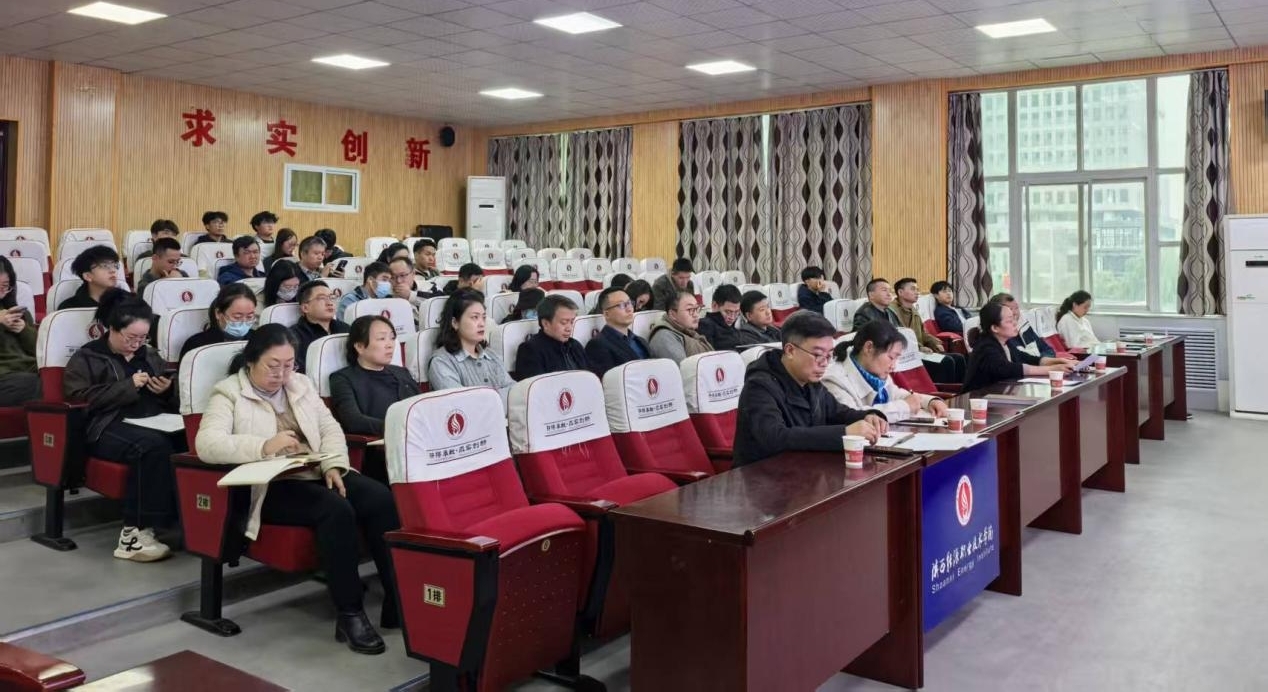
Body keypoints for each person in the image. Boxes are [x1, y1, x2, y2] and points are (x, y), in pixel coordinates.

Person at [195, 325, 400, 653]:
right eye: (272, 365)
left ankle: (397, 600)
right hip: (271, 485)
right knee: (336, 509)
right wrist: (264, 445)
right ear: (251, 361)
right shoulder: (229, 392)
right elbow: (207, 444)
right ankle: (350, 614)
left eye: (289, 365)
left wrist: (334, 464)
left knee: (381, 500)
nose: (281, 374)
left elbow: (330, 428)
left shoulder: (301, 385)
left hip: (315, 469)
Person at [64, 298, 184, 562]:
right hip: (108, 424)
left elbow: (171, 388)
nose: (137, 343)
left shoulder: (149, 355)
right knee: (151, 447)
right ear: (112, 329)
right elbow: (79, 399)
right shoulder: (88, 357)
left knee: (190, 439)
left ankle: (177, 523)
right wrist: (127, 386)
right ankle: (134, 533)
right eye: (131, 337)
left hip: (154, 418)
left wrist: (167, 390)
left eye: (143, 337)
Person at [732, 311, 886, 468]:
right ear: (790, 351)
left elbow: (837, 413)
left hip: (804, 469)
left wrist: (868, 417)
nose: (824, 363)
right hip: (762, 475)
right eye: (818, 355)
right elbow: (775, 437)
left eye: (829, 355)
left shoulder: (810, 380)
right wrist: (845, 432)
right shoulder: (759, 387)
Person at [822, 319, 949, 423]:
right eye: (891, 357)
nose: (894, 366)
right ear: (869, 347)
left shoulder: (875, 372)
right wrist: (904, 407)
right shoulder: (834, 379)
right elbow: (853, 416)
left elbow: (896, 394)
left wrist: (929, 401)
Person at [329, 316, 418, 436]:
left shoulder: (401, 372)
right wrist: (401, 428)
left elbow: (421, 406)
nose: (390, 345)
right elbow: (353, 421)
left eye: (392, 338)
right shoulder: (342, 379)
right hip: (381, 442)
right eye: (382, 338)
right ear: (360, 346)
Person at [963, 301, 1075, 391]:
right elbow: (1009, 368)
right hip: (978, 400)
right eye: (1009, 321)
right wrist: (1051, 370)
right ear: (995, 328)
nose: (1015, 323)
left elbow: (1030, 359)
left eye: (1014, 319)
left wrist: (1061, 361)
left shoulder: (1005, 343)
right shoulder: (986, 347)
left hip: (998, 396)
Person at [427, 289, 515, 399]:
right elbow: (465, 403)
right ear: (455, 323)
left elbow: (514, 392)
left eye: (483, 317)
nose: (482, 324)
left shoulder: (491, 355)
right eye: (475, 317)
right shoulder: (442, 362)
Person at [891, 277, 966, 384]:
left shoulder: (913, 310)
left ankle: (959, 390)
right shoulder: (892, 311)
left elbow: (923, 333)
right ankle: (942, 390)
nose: (917, 292)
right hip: (908, 355)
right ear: (900, 292)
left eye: (917, 289)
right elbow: (899, 336)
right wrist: (920, 348)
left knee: (959, 358)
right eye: (913, 289)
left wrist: (934, 342)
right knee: (947, 361)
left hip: (921, 351)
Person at [516, 294, 587, 379]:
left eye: (572, 322)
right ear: (545, 323)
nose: (569, 328)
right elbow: (536, 385)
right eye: (564, 322)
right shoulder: (530, 350)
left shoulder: (575, 345)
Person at [0, 257, 40, 406]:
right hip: (5, 377)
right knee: (40, 385)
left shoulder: (19, 313)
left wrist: (24, 330)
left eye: (5, 286)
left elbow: (40, 351)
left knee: (65, 376)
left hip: (29, 370)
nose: (1, 291)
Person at [585, 287, 650, 378]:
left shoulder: (640, 340)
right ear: (607, 314)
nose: (629, 309)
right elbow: (608, 381)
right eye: (621, 305)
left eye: (629, 303)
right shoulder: (597, 345)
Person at [181, 283, 257, 357]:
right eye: (237, 317)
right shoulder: (196, 346)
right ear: (218, 313)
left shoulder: (257, 340)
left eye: (249, 316)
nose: (244, 322)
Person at [290, 281, 349, 373]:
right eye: (322, 298)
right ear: (305, 308)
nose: (330, 303)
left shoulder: (346, 329)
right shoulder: (293, 336)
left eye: (332, 297)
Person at [648, 291, 712, 364]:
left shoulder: (688, 332)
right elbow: (682, 369)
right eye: (690, 309)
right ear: (672, 314)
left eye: (697, 309)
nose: (696, 315)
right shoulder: (664, 337)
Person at [990, 292, 1054, 358]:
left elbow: (1048, 350)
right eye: (1010, 309)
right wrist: (1041, 361)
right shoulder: (1001, 338)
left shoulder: (1024, 327)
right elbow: (1018, 360)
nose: (1015, 312)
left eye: (1016, 308)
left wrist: (1044, 360)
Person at [58, 245, 120, 310]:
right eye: (105, 266)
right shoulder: (69, 308)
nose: (113, 270)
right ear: (87, 276)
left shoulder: (125, 301)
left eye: (115, 265)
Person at [695, 284, 744, 351]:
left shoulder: (735, 329)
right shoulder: (705, 326)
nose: (732, 317)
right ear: (714, 305)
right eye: (728, 312)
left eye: (736, 312)